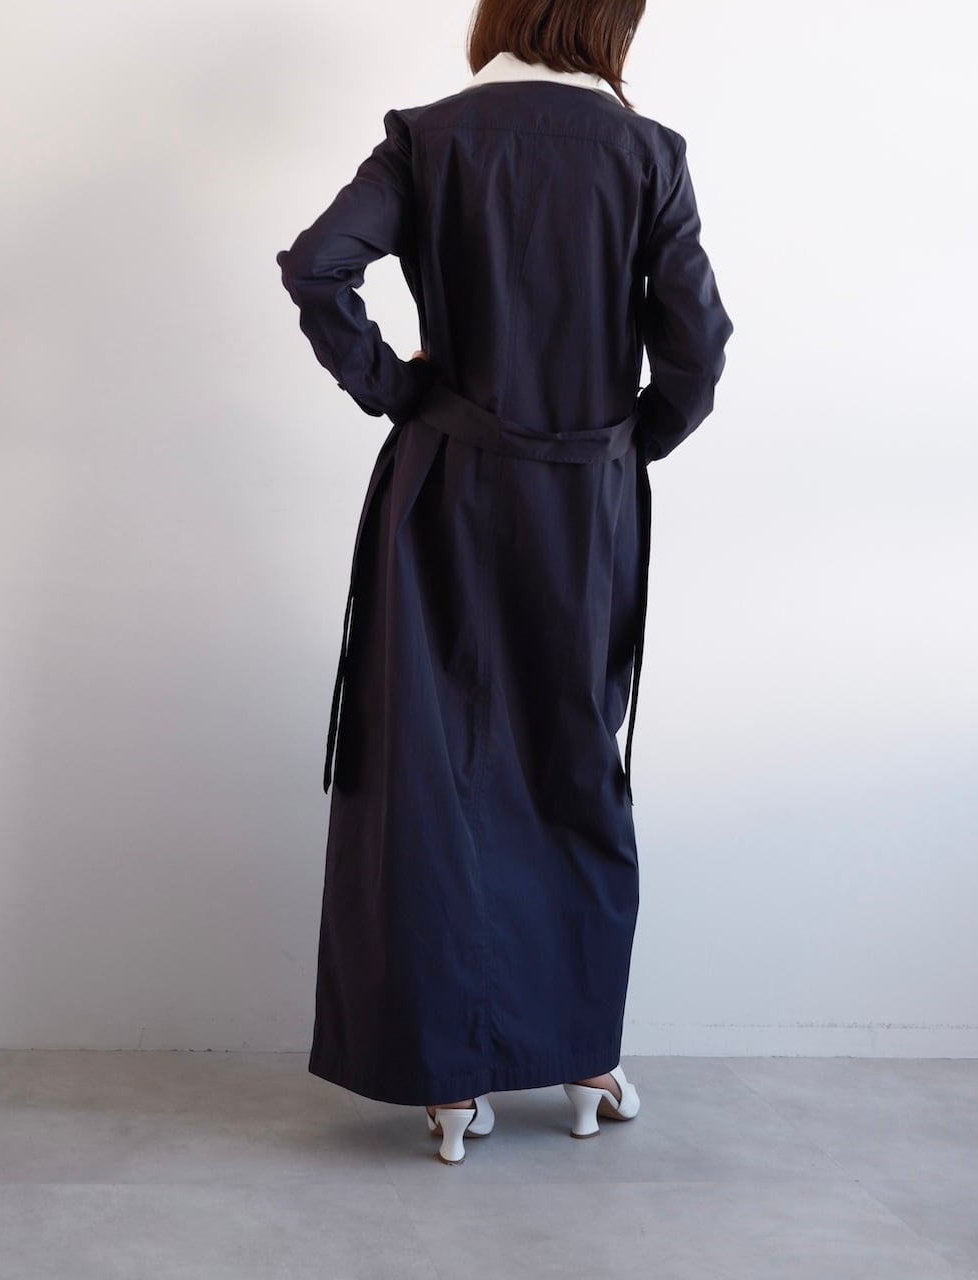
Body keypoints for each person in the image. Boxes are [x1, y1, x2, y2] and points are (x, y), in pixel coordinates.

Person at [275, 0, 733, 1166]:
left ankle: (448, 1077)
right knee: (573, 755)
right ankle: (582, 1058)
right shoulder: (646, 154)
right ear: (610, 23)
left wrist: (398, 391)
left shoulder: (427, 136)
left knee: (436, 766)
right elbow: (697, 346)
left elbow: (318, 266)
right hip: (583, 499)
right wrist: (624, 443)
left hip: (443, 487)